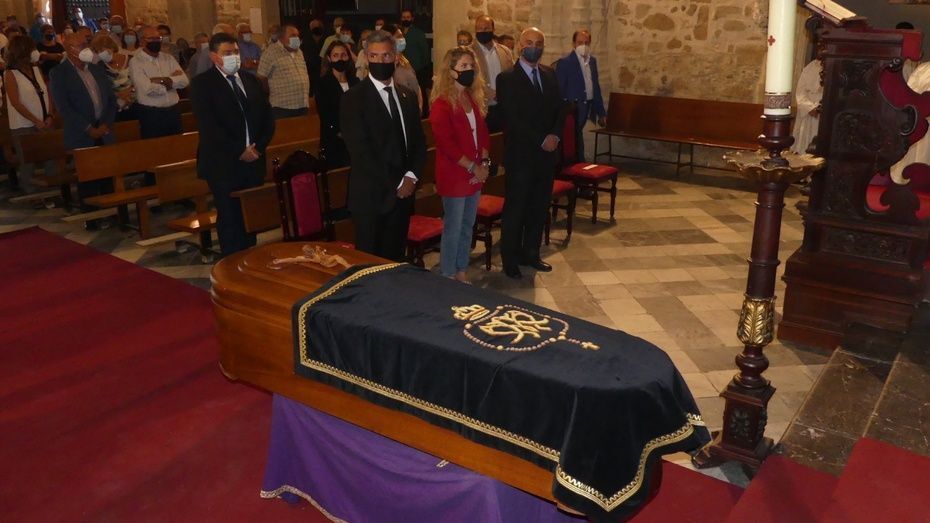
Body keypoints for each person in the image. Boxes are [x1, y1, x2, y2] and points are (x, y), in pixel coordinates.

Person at [340, 30, 427, 261]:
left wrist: (411, 176)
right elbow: (361, 152)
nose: (380, 61)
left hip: (402, 197)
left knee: (395, 261)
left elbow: (418, 142)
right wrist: (398, 182)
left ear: (396, 57)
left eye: (386, 55)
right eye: (374, 56)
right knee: (370, 264)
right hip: (372, 197)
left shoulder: (407, 96)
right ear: (367, 58)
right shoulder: (354, 99)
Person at [191, 32, 275, 256]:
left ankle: (249, 258)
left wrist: (258, 147)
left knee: (249, 214)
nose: (234, 56)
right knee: (229, 216)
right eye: (227, 53)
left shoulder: (251, 80)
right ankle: (230, 262)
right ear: (214, 56)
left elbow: (268, 118)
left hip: (253, 159)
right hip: (223, 162)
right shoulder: (202, 84)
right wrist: (239, 150)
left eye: (236, 52)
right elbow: (210, 126)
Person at [497, 27, 566, 279]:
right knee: (517, 208)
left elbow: (560, 108)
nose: (534, 47)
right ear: (520, 45)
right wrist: (541, 139)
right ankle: (510, 259)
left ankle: (531, 253)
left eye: (538, 43)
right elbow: (512, 119)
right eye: (529, 42)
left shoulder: (549, 74)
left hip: (546, 155)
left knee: (538, 207)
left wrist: (555, 135)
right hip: (522, 155)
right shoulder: (507, 78)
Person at [430, 47, 490, 283]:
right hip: (455, 174)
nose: (469, 70)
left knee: (468, 225)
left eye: (471, 66)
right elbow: (447, 144)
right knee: (453, 227)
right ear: (451, 71)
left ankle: (461, 269)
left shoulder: (471, 99)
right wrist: (474, 167)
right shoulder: (441, 104)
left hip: (475, 172)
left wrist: (484, 163)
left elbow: (483, 135)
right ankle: (447, 274)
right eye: (464, 66)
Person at [50, 31, 117, 224]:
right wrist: (88, 128)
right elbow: (64, 107)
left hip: (103, 129)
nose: (86, 48)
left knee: (107, 175)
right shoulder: (59, 73)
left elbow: (110, 99)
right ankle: (92, 219)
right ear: (70, 50)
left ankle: (112, 215)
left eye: (86, 44)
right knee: (88, 179)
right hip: (81, 133)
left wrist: (105, 124)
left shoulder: (96, 69)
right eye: (81, 45)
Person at [4, 35, 57, 196]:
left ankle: (53, 189)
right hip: (23, 124)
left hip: (44, 120)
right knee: (28, 161)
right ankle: (31, 192)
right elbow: (15, 102)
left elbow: (46, 93)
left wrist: (49, 115)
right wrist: (35, 120)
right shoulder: (10, 73)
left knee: (50, 155)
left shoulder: (36, 69)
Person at [129, 26, 188, 143]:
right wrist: (172, 82)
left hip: (173, 111)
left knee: (178, 145)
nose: (156, 41)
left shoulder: (168, 58)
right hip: (152, 115)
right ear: (142, 41)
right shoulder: (136, 62)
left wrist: (159, 80)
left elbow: (184, 81)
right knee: (155, 147)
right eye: (151, 38)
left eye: (158, 38)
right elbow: (147, 89)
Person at [555, 29, 606, 162]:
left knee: (577, 135)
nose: (583, 46)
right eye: (580, 42)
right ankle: (578, 162)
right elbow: (560, 89)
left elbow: (595, 87)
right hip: (573, 107)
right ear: (574, 44)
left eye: (586, 43)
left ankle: (578, 162)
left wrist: (601, 112)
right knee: (575, 136)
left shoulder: (592, 61)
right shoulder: (565, 62)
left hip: (587, 105)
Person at [315, 40, 359, 168]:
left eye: (343, 55)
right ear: (329, 58)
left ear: (348, 57)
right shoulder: (323, 83)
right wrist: (340, 132)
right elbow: (325, 114)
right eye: (336, 55)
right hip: (334, 139)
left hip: (355, 138)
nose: (340, 59)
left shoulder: (355, 81)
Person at [257, 24, 310, 119]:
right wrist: (272, 90)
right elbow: (261, 78)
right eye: (293, 35)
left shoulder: (299, 52)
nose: (296, 38)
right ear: (281, 37)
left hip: (302, 104)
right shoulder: (270, 52)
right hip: (282, 106)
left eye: (297, 35)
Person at [471, 15, 513, 132]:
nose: (482, 31)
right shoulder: (469, 52)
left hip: (502, 107)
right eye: (479, 29)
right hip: (481, 107)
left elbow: (511, 75)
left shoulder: (505, 51)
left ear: (493, 29)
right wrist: (486, 91)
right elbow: (468, 80)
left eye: (486, 28)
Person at [91, 34, 135, 121]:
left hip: (134, 99)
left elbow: (139, 79)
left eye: (102, 50)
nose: (100, 53)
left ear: (111, 47)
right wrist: (117, 95)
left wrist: (131, 91)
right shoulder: (99, 66)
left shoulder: (131, 60)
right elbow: (101, 88)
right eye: (97, 51)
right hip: (114, 104)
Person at [400, 9, 431, 115]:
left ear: (412, 19)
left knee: (420, 92)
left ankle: (423, 114)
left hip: (417, 69)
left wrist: (423, 66)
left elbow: (425, 52)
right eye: (404, 17)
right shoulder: (398, 33)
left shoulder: (418, 33)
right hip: (402, 69)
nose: (406, 19)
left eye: (408, 17)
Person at [790, 58, 822, 155]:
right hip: (809, 111)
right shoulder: (810, 67)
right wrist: (810, 107)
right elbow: (800, 92)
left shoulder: (834, 65)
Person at [301, 19, 325, 96]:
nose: (313, 29)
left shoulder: (326, 38)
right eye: (312, 27)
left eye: (315, 27)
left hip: (323, 69)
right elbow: (302, 51)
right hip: (310, 69)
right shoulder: (306, 38)